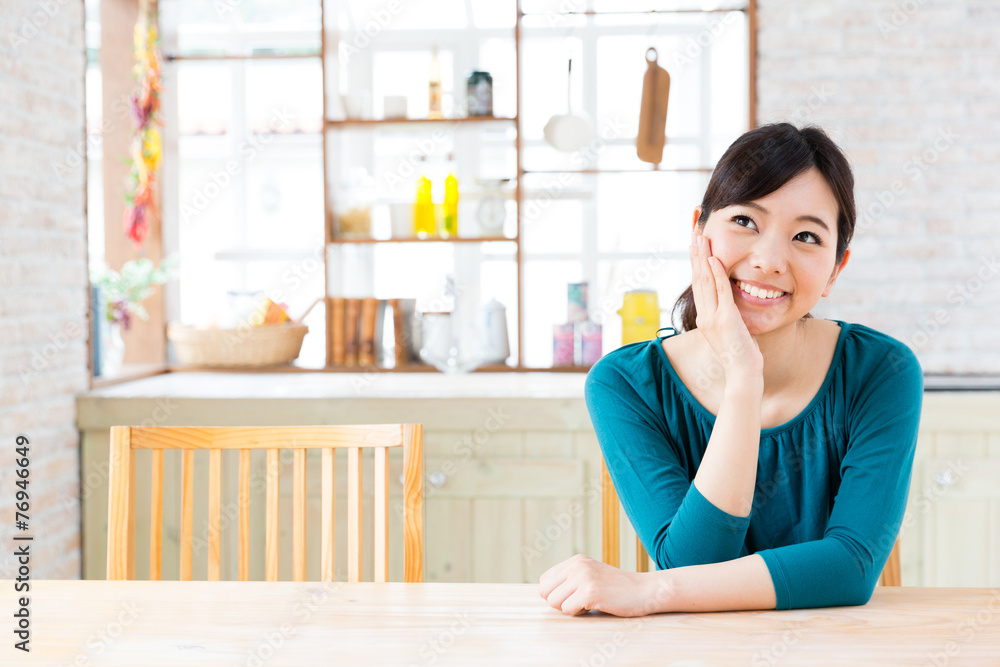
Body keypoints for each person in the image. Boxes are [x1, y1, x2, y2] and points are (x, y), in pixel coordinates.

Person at [538, 122, 924, 617]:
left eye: (806, 236)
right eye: (745, 221)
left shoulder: (880, 371)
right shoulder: (626, 385)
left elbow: (848, 567)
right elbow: (696, 561)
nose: (768, 260)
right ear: (699, 232)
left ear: (835, 269)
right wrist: (744, 379)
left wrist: (651, 591)